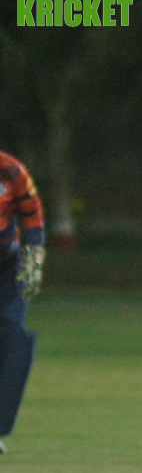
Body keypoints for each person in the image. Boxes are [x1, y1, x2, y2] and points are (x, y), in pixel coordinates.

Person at [0, 150, 46, 455]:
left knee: (14, 339)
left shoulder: (10, 170)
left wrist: (34, 253)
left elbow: (31, 212)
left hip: (6, 267)